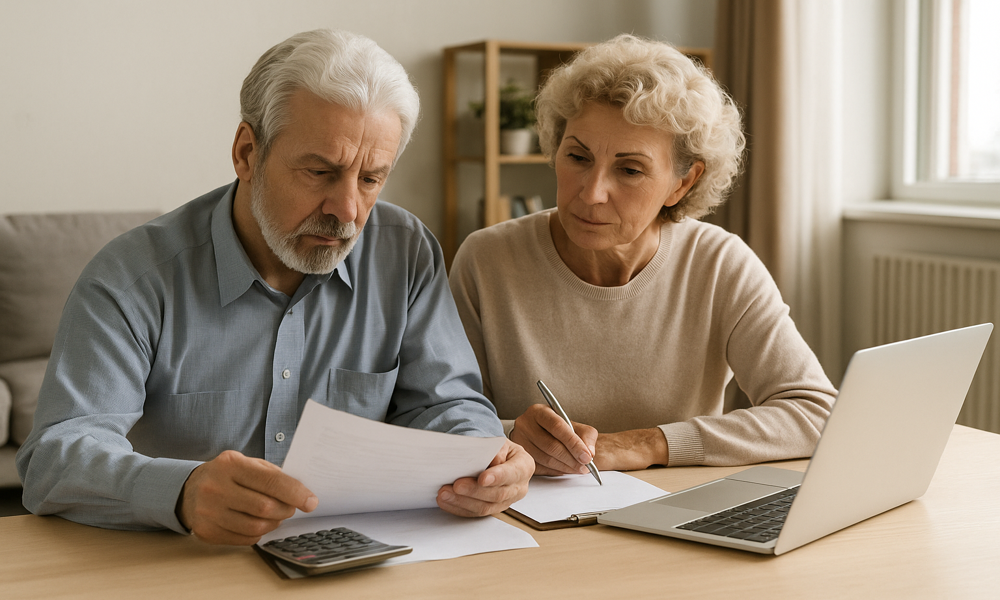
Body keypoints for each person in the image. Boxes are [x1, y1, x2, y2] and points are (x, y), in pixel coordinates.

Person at [16, 29, 532, 545]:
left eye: (371, 178)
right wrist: (184, 492)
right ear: (246, 153)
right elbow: (57, 456)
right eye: (320, 171)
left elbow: (445, 403)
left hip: (359, 556)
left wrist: (483, 457)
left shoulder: (406, 252)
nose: (347, 211)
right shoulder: (133, 278)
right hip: (182, 563)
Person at [449, 34, 836, 478]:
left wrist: (649, 443)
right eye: (577, 156)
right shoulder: (487, 259)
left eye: (630, 170)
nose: (591, 193)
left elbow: (815, 412)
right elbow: (441, 416)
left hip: (675, 513)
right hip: (532, 514)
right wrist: (511, 434)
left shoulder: (719, 264)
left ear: (683, 183)